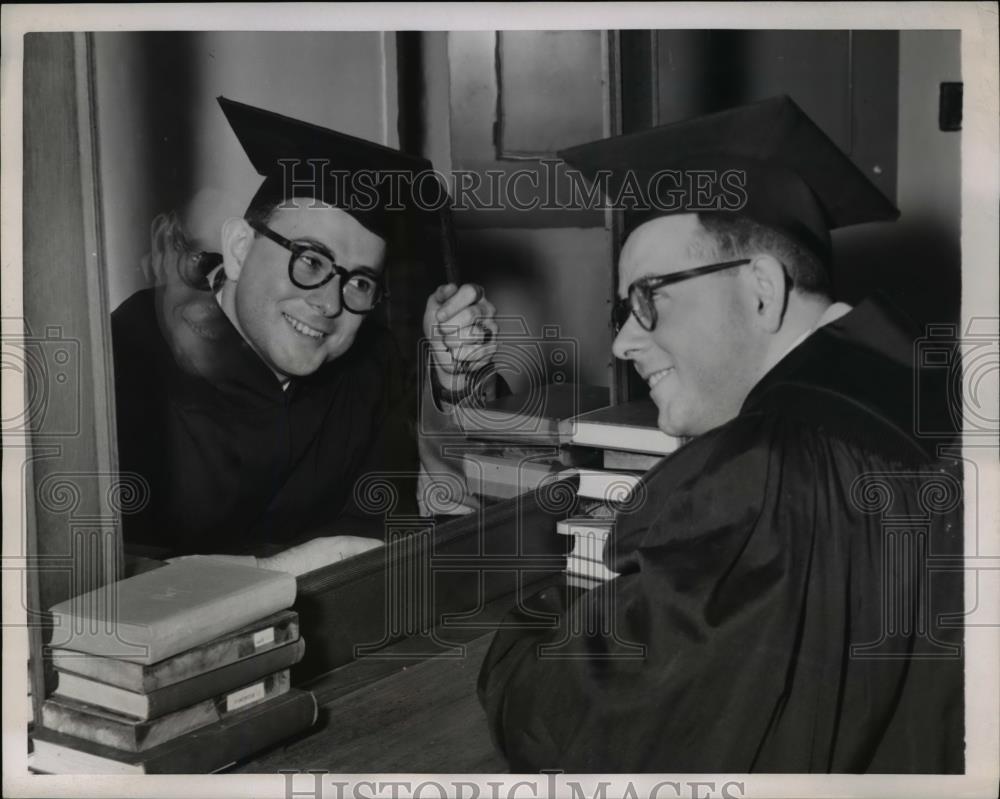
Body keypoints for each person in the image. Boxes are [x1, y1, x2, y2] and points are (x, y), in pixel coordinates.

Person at [478, 96, 963, 772]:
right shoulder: (942, 402)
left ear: (762, 289)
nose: (620, 342)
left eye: (648, 296)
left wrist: (535, 620)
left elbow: (583, 730)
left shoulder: (761, 473)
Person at [113, 97, 498, 574]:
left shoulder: (371, 363)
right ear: (238, 250)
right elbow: (102, 575)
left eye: (359, 282)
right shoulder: (128, 355)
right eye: (310, 260)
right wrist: (289, 570)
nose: (331, 304)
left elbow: (405, 521)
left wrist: (451, 380)